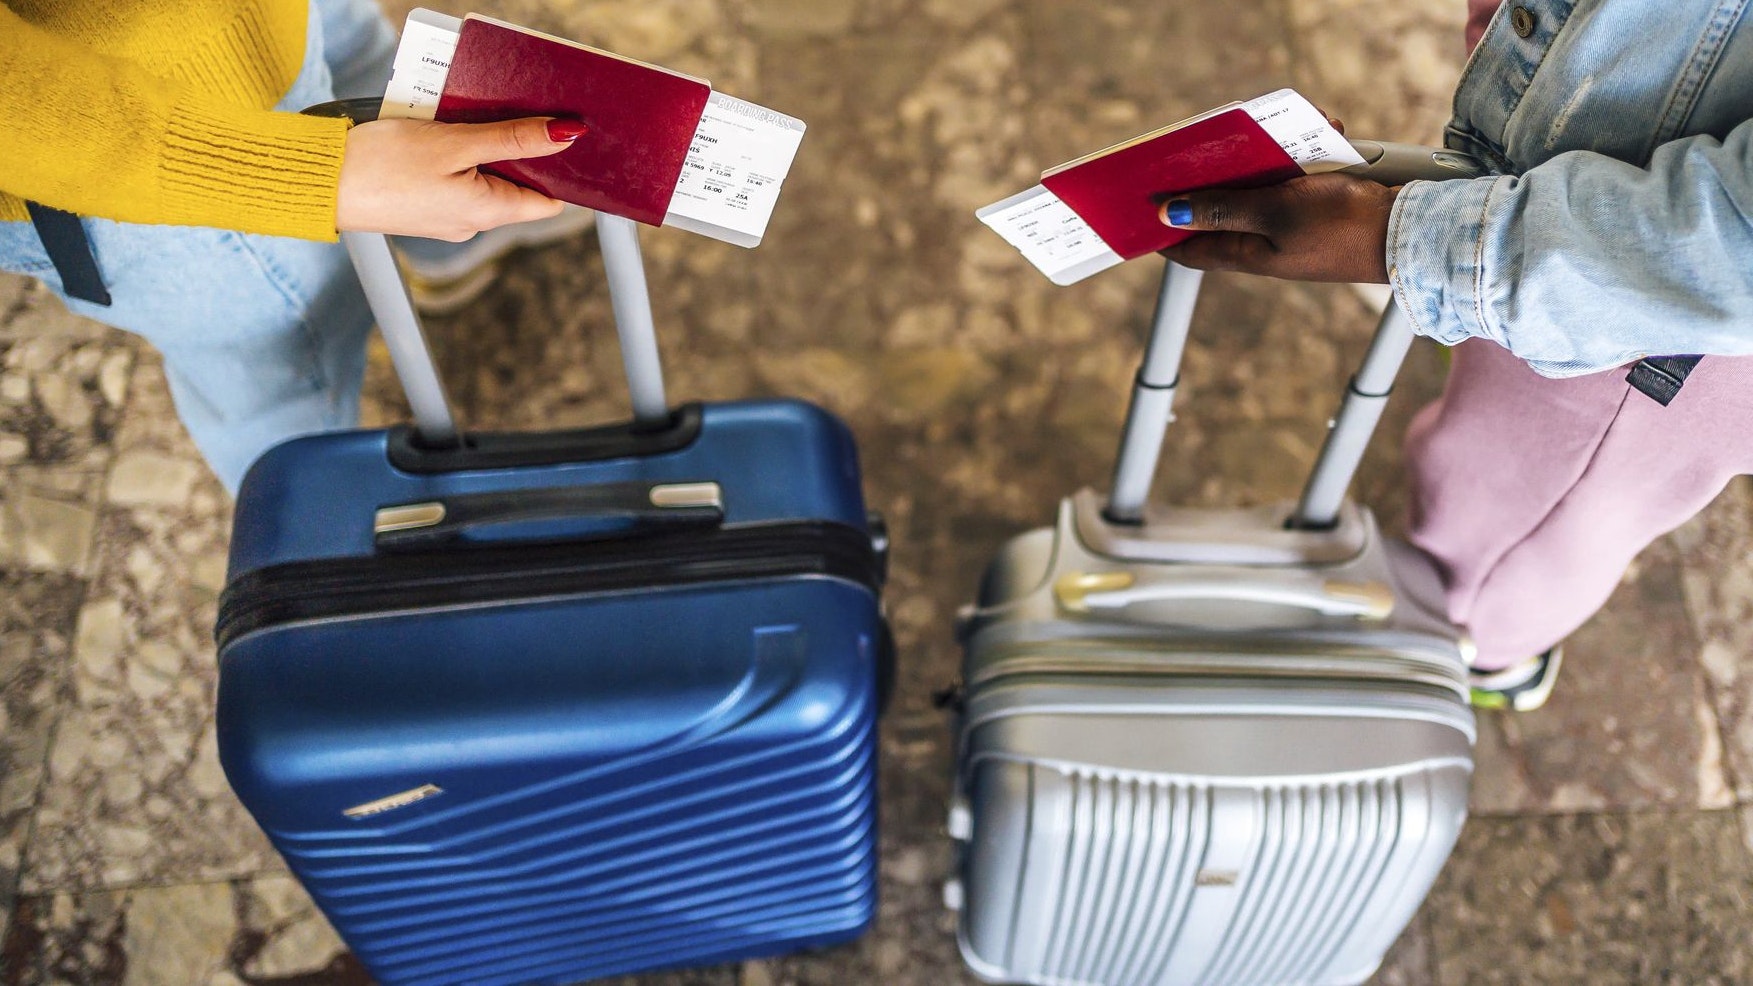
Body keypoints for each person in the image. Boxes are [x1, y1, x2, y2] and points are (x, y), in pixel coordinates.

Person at [1156, 0, 1753, 710]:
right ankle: (1481, 307)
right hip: (1580, 160)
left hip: (1651, 317)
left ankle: (1484, 643)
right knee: (1499, 410)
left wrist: (1403, 240)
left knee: (1513, 514)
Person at [0, 0, 590, 492]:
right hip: (149, 145)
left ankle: (441, 240)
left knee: (369, 64)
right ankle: (335, 546)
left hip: (270, 24)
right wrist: (311, 178)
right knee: (288, 375)